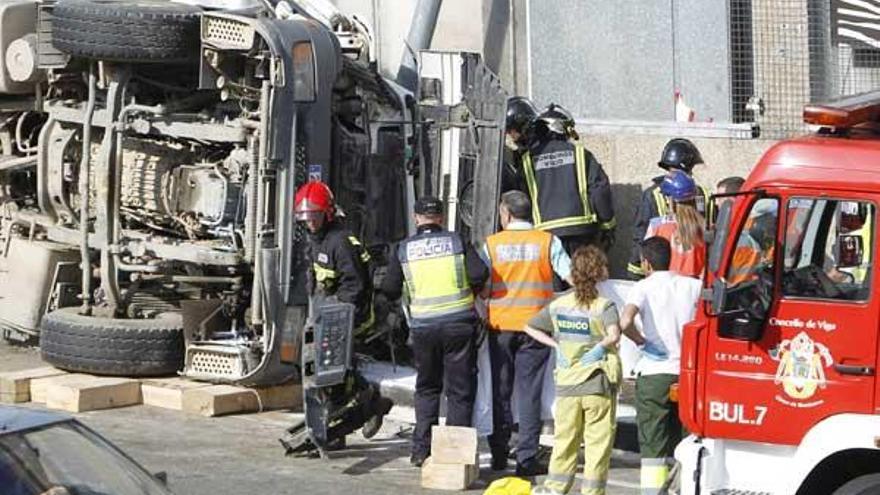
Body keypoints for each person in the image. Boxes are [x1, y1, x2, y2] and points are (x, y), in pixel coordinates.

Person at [380, 196, 488, 467]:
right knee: (459, 390)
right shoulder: (456, 241)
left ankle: (421, 450)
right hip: (459, 325)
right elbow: (478, 275)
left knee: (427, 387)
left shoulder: (403, 249)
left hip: (424, 328)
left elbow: (390, 289)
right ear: (440, 217)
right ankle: (454, 454)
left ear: (417, 219)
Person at [293, 180, 393, 446]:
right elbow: (314, 280)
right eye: (306, 218)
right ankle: (344, 419)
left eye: (314, 217)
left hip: (349, 316)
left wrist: (334, 310)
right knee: (328, 372)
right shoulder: (317, 240)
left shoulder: (340, 242)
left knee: (335, 371)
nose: (310, 222)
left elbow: (356, 285)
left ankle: (368, 401)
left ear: (326, 213)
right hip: (326, 314)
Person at [480, 190, 573, 476]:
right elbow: (571, 276)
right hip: (537, 329)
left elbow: (481, 286)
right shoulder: (547, 242)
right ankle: (527, 459)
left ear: (505, 213)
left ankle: (498, 453)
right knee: (529, 393)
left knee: (501, 391)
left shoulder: (492, 245)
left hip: (500, 327)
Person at [524, 245, 622, 495]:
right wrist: (600, 348)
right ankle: (592, 492)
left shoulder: (559, 304)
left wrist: (556, 345)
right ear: (597, 273)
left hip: (567, 385)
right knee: (597, 445)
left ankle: (555, 488)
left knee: (564, 441)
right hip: (596, 384)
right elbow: (614, 335)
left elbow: (530, 327)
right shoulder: (604, 306)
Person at [619, 237, 701, 495]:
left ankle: (653, 492)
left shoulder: (642, 287)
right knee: (687, 441)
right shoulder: (693, 286)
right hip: (688, 374)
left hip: (654, 373)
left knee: (653, 444)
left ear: (646, 263)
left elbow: (624, 322)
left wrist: (640, 340)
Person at [510, 101, 616, 254]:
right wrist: (608, 226)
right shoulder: (581, 154)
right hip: (581, 234)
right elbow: (600, 191)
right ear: (560, 128)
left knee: (552, 278)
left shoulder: (527, 160)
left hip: (544, 236)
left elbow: (520, 198)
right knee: (581, 277)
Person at [627, 138, 712, 280]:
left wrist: (636, 275)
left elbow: (641, 237)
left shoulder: (653, 196)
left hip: (666, 279)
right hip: (697, 281)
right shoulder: (703, 194)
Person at [645, 171, 706, 278]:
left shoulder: (656, 226)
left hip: (667, 289)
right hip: (696, 290)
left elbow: (647, 263)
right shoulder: (706, 227)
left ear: (670, 200)